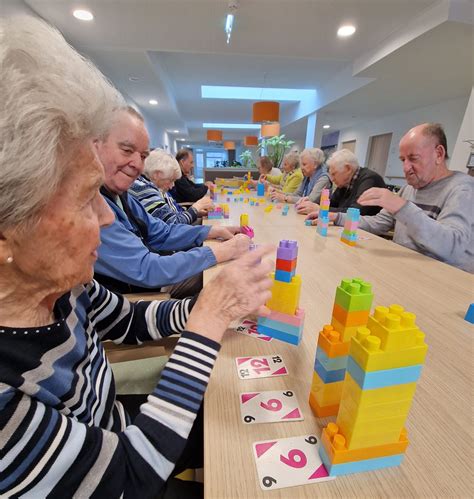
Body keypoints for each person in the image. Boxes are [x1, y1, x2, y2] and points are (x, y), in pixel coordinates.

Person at [0, 16, 273, 499]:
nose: (108, 218)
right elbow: (127, 480)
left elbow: (127, 319)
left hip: (118, 423)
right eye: (87, 198)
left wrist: (215, 307)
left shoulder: (66, 284)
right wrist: (208, 321)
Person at [94, 107, 249, 298]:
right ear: (95, 146)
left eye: (143, 156)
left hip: (157, 276)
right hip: (145, 298)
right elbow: (148, 268)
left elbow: (162, 232)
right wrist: (220, 251)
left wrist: (211, 231)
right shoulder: (93, 208)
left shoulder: (121, 195)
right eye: (126, 150)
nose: (138, 164)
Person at [313, 123, 473, 273]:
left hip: (442, 280)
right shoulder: (408, 189)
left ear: (438, 154)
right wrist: (336, 217)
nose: (405, 168)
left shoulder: (462, 189)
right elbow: (379, 223)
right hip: (403, 271)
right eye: (403, 160)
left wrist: (402, 207)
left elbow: (452, 247)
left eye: (413, 158)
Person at [129, 149, 213, 224]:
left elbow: (173, 213)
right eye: (170, 180)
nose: (172, 186)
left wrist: (196, 212)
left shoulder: (157, 188)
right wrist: (196, 207)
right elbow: (174, 224)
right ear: (157, 174)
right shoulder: (145, 190)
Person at [297, 148, 386, 216]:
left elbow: (356, 212)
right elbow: (332, 204)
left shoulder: (369, 179)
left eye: (334, 174)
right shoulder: (345, 182)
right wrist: (312, 204)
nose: (331, 179)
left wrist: (320, 209)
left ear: (348, 169)